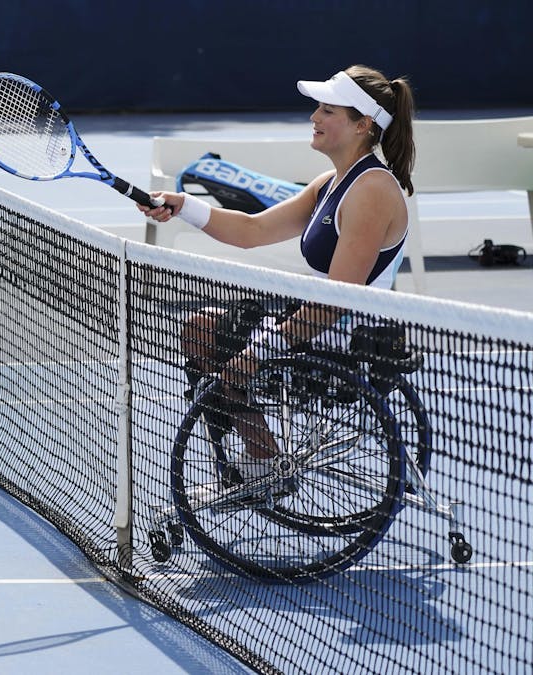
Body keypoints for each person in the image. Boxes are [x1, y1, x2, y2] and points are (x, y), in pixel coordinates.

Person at [138, 64, 416, 484]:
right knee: (200, 329)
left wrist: (261, 349)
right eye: (317, 109)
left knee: (218, 346)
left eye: (327, 111)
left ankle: (264, 467)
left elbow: (338, 298)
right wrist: (185, 207)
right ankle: (266, 462)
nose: (314, 118)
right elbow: (252, 230)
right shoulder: (332, 183)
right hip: (316, 327)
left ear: (362, 125)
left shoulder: (372, 191)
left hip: (347, 340)